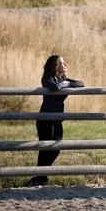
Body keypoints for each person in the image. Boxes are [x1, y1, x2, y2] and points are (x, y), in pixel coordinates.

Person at [26, 55, 84, 186]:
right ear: (55, 66)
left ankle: (39, 177)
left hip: (58, 119)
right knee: (45, 149)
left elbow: (81, 84)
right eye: (62, 63)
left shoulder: (63, 79)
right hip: (45, 119)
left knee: (56, 149)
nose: (65, 65)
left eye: (64, 63)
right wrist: (62, 84)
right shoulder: (47, 79)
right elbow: (54, 87)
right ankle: (41, 178)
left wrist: (66, 83)